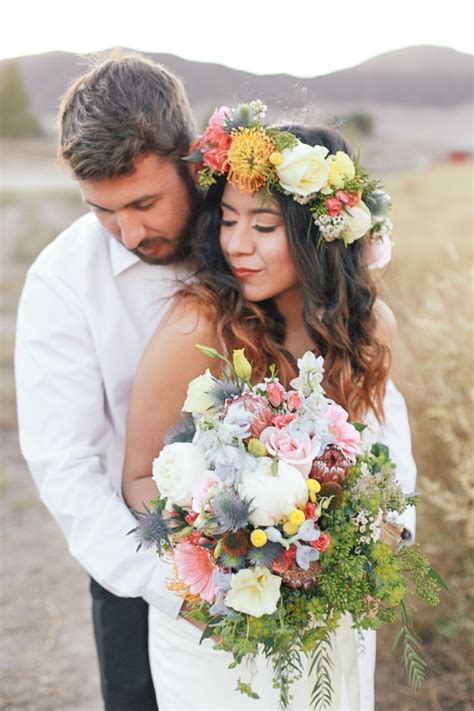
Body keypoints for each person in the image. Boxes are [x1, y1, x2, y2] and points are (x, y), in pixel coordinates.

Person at [122, 105, 417, 709]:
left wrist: (366, 548)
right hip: (221, 624)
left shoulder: (367, 328)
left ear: (316, 233)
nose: (236, 245)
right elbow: (137, 475)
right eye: (227, 220)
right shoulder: (198, 325)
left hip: (331, 603)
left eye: (263, 225)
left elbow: (383, 453)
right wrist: (225, 558)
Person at [14, 50, 202, 711]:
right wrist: (172, 588)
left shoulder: (256, 233)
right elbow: (65, 464)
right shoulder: (63, 280)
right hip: (139, 583)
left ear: (189, 158)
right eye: (103, 210)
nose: (129, 231)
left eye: (145, 202)